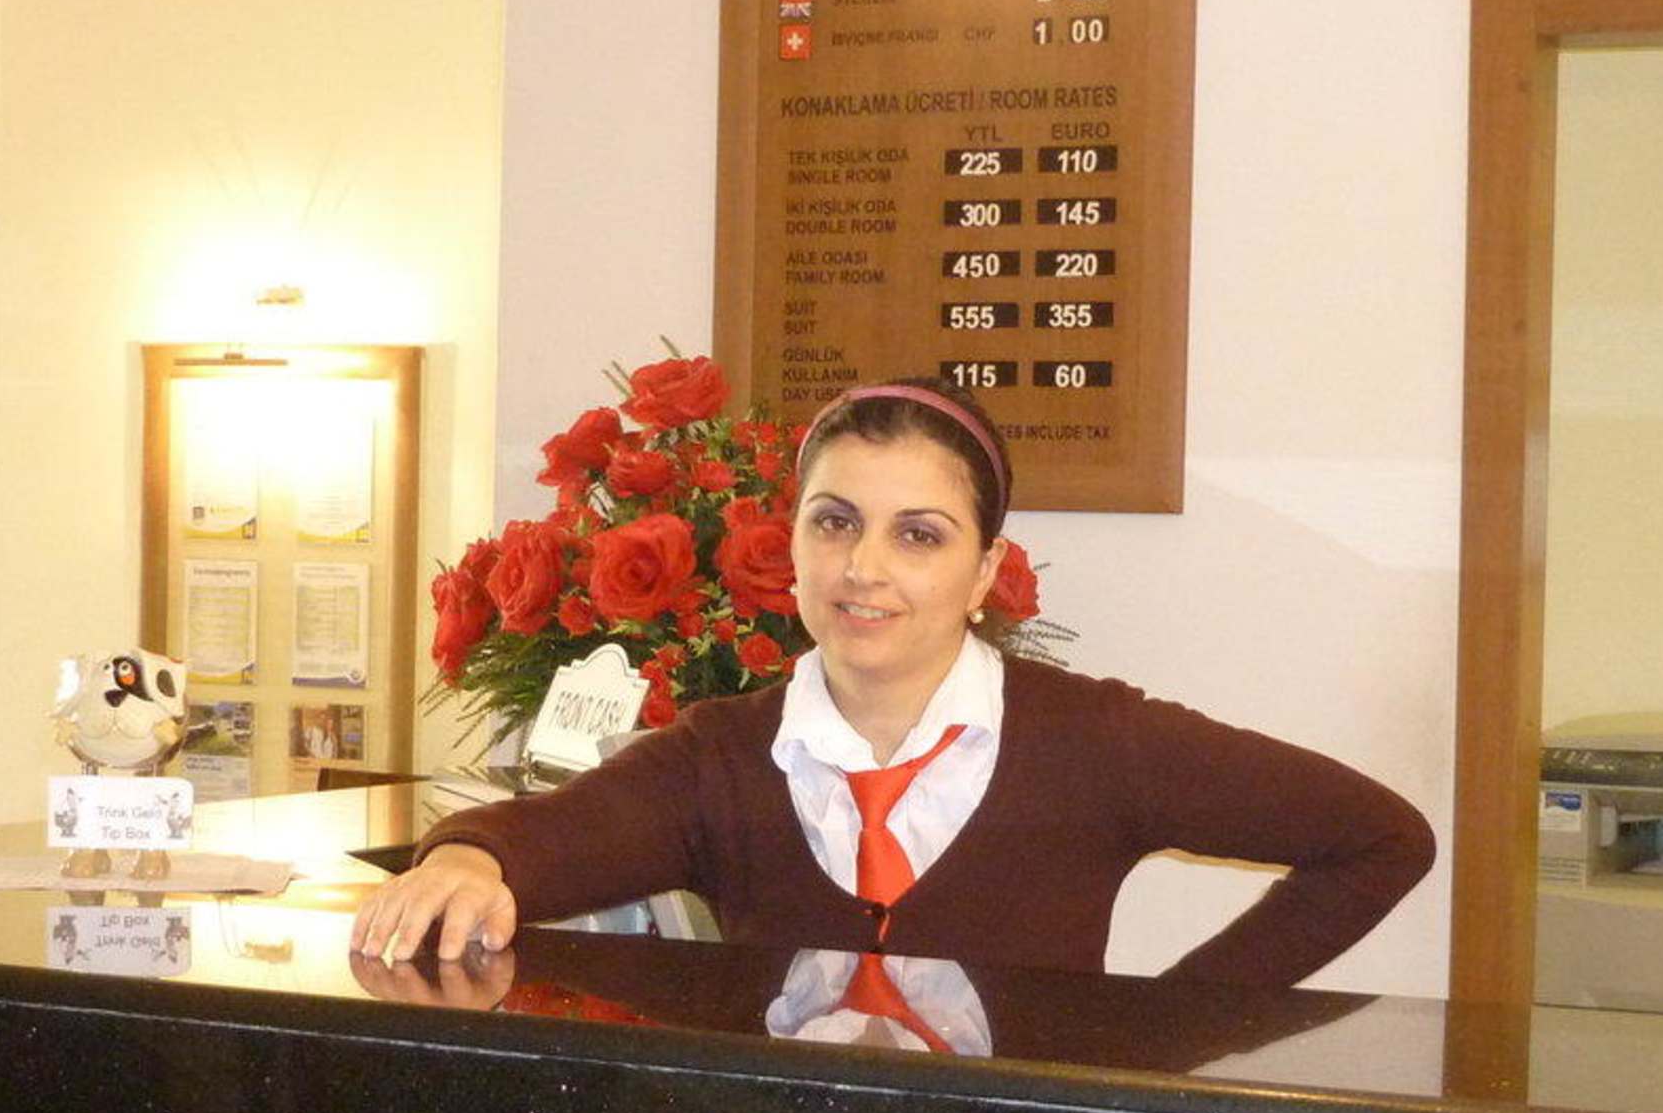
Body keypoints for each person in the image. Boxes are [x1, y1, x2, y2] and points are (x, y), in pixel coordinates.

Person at [351, 378, 1434, 989]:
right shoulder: (719, 758)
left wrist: (1162, 1026)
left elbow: (1381, 838)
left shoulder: (1098, 742)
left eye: (919, 534)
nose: (863, 568)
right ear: (793, 543)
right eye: (835, 523)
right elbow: (545, 838)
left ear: (986, 571)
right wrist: (467, 859)